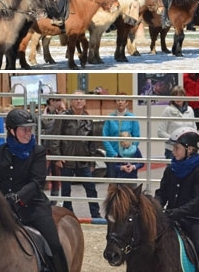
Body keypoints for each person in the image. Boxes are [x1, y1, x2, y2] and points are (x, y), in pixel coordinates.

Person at [0, 109, 69, 272]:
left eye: (30, 129)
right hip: (3, 209)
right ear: (11, 130)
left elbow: (37, 182)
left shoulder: (38, 152)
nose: (28, 133)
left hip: (33, 208)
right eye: (24, 129)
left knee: (54, 243)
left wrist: (17, 197)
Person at [155, 127, 199, 272]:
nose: (173, 151)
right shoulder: (170, 170)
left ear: (190, 149)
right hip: (169, 219)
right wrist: (155, 206)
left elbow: (198, 200)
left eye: (177, 148)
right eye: (173, 148)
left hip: (194, 221)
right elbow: (162, 193)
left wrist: (175, 212)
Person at [50, 90, 101, 219]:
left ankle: (96, 215)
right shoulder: (63, 117)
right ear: (71, 101)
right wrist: (57, 156)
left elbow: (92, 142)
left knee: (91, 188)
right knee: (66, 189)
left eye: (81, 99)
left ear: (85, 102)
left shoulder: (88, 119)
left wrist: (92, 161)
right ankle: (68, 215)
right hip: (67, 159)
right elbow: (55, 137)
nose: (79, 101)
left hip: (83, 160)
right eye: (76, 99)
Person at [102, 93, 140, 178]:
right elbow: (105, 137)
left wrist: (131, 151)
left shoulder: (132, 118)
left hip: (128, 156)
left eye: (122, 100)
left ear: (127, 103)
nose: (120, 102)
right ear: (115, 102)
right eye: (118, 100)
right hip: (113, 156)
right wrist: (113, 153)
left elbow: (136, 137)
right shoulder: (109, 118)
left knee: (128, 183)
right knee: (113, 183)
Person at [157, 86, 196, 159]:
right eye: (175, 95)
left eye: (181, 95)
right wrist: (176, 141)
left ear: (185, 97)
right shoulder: (167, 110)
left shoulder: (190, 110)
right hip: (172, 150)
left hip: (187, 150)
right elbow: (160, 132)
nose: (178, 98)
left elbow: (194, 129)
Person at [41, 96, 66, 203]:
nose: (60, 103)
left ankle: (54, 202)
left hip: (55, 149)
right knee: (41, 175)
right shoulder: (42, 115)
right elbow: (47, 128)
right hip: (43, 150)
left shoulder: (59, 115)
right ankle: (40, 200)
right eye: (58, 100)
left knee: (56, 177)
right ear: (52, 101)